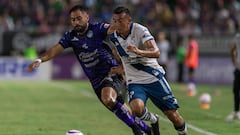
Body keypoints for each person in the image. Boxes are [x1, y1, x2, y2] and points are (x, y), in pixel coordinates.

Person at [26, 5, 153, 135]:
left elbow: (111, 28)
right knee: (120, 108)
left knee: (108, 99)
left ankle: (137, 131)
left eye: (79, 18)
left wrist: (128, 25)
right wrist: (40, 60)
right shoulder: (71, 37)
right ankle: (148, 130)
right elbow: (55, 49)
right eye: (73, 19)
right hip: (96, 81)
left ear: (87, 17)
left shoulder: (97, 28)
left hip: (111, 72)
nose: (76, 22)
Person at [109, 6, 187, 135]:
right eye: (114, 21)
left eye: (120, 21)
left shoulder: (140, 30)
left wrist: (138, 51)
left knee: (173, 116)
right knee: (136, 109)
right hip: (134, 80)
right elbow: (121, 54)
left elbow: (156, 52)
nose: (117, 24)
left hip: (152, 76)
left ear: (129, 20)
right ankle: (154, 119)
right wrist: (121, 68)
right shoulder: (113, 36)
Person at [227, 33, 240, 122]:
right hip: (238, 68)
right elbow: (232, 49)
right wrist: (233, 60)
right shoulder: (238, 37)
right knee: (236, 90)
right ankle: (236, 112)